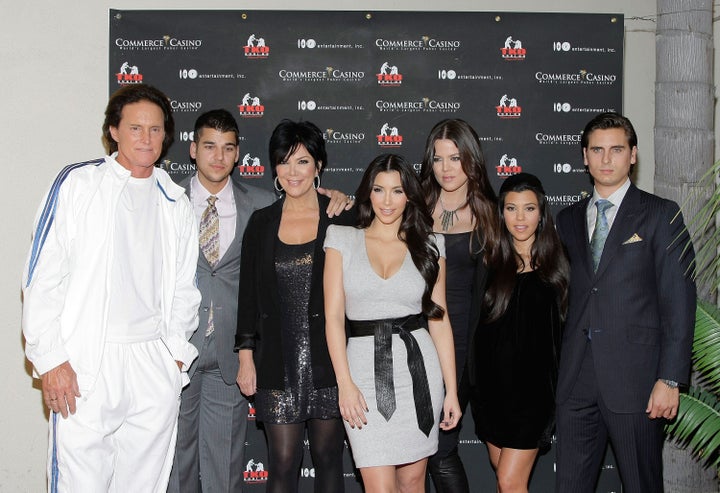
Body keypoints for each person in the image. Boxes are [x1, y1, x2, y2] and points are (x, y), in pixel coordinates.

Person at [21, 84, 201, 491]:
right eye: (135, 128)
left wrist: (173, 359)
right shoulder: (78, 185)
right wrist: (50, 360)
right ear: (114, 131)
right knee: (78, 483)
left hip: (152, 365)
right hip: (85, 364)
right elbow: (42, 277)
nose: (146, 139)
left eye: (156, 130)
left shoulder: (176, 201)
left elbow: (184, 291)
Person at [554, 112, 696, 492]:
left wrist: (670, 378)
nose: (606, 159)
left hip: (637, 383)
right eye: (597, 150)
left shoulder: (661, 215)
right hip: (574, 382)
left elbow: (678, 302)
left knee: (641, 485)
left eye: (616, 149)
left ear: (633, 155)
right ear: (584, 156)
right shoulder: (566, 220)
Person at [324, 153, 462, 493]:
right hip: (362, 375)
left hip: (418, 372)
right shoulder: (342, 239)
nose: (387, 201)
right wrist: (344, 382)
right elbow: (332, 318)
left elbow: (439, 320)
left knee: (414, 482)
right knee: (379, 487)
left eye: (397, 191)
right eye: (379, 190)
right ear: (367, 193)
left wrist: (452, 390)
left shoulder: (429, 245)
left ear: (409, 196)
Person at [235, 119, 353, 493]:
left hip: (329, 361)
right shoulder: (261, 222)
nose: (292, 171)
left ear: (318, 165)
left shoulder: (342, 217)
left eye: (302, 161)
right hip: (275, 361)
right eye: (284, 162)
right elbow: (248, 296)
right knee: (283, 462)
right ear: (274, 169)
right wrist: (245, 355)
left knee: (328, 457)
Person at [167, 109, 276, 492]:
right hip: (174, 351)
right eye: (209, 146)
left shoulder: (262, 205)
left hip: (232, 355)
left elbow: (309, 211)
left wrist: (335, 197)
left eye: (227, 148)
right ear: (193, 149)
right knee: (172, 468)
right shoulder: (166, 199)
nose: (218, 156)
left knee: (224, 472)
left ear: (237, 153)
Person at [470, 173, 569, 493]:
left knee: (510, 481)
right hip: (490, 392)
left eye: (528, 209)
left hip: (533, 397)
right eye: (511, 209)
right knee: (504, 477)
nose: (520, 218)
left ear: (541, 212)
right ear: (502, 213)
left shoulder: (559, 265)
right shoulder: (489, 262)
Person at [419, 118, 500, 492]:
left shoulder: (493, 215)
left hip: (467, 347)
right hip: (416, 343)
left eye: (456, 158)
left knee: (441, 446)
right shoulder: (411, 207)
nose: (447, 168)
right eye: (439, 159)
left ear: (472, 159)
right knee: (424, 450)